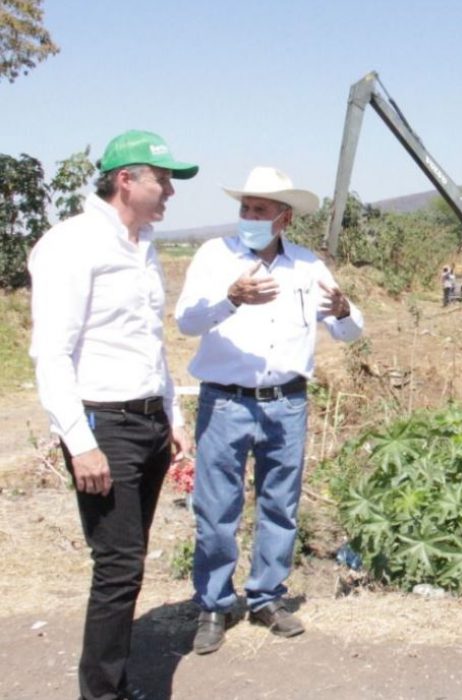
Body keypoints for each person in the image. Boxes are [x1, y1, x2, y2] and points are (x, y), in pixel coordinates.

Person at [28, 130, 197, 700]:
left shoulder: (143, 243)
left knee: (129, 563)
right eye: (163, 179)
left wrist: (170, 415)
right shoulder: (71, 244)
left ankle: (113, 683)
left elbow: (147, 342)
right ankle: (101, 693)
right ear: (126, 180)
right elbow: (51, 352)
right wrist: (80, 443)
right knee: (118, 568)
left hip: (147, 421)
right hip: (105, 426)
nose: (170, 191)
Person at [175, 166, 364, 655]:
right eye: (245, 208)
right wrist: (229, 300)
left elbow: (350, 330)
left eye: (260, 210)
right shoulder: (214, 257)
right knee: (217, 509)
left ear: (284, 218)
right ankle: (215, 604)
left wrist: (343, 311)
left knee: (280, 504)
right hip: (225, 401)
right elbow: (186, 322)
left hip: (287, 403)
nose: (249, 217)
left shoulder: (307, 267)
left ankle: (266, 597)